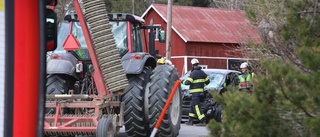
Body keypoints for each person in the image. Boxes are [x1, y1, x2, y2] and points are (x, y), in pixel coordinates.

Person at [183, 58, 210, 126]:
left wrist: (182, 81)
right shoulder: (202, 72)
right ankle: (190, 121)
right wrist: (201, 85)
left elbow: (187, 82)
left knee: (196, 107)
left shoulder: (193, 73)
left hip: (195, 93)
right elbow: (208, 81)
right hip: (201, 93)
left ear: (192, 65)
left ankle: (203, 120)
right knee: (192, 106)